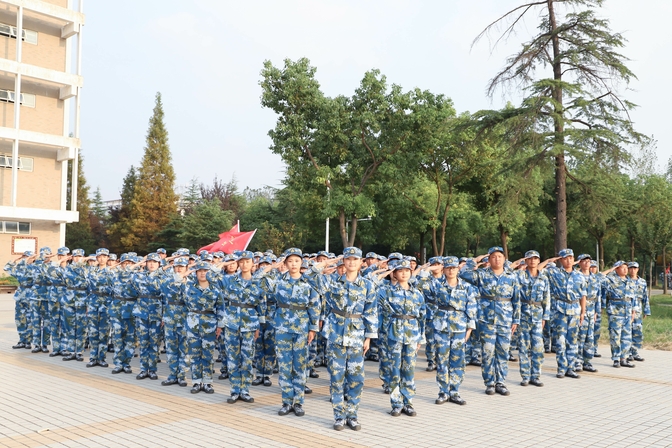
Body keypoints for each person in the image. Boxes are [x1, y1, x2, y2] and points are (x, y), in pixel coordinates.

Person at [306, 247, 378, 431]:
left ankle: (352, 415)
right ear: (343, 261)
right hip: (336, 334)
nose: (352, 262)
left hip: (357, 336)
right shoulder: (332, 281)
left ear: (361, 262)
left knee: (356, 378)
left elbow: (371, 312)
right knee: (336, 378)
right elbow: (309, 275)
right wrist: (327, 262)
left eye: (355, 259)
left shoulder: (367, 285)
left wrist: (369, 337)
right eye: (348, 259)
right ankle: (339, 416)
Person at [262, 248, 321, 417]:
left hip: (302, 328)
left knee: (300, 365)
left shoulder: (309, 282)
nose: (293, 264)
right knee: (284, 365)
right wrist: (273, 266)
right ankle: (287, 401)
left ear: (301, 262)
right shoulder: (278, 281)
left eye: (297, 261)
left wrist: (313, 328)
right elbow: (259, 279)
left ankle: (298, 402)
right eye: (290, 261)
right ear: (285, 263)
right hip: (282, 328)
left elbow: (315, 306)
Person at [459, 247, 520, 396]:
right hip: (486, 320)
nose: (497, 259)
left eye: (499, 256)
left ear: (504, 259)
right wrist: (474, 260)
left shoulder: (512, 276)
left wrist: (516, 319)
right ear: (489, 259)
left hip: (505, 320)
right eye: (493, 257)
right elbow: (463, 273)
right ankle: (489, 383)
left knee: (503, 352)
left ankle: (501, 382)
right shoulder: (482, 274)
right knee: (487, 353)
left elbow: (516, 299)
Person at [423, 256, 477, 405]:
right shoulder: (436, 284)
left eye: (453, 268)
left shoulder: (467, 287)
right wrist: (428, 269)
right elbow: (419, 283)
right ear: (444, 269)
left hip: (459, 326)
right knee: (442, 360)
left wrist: (470, 329)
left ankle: (455, 391)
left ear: (458, 269)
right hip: (441, 326)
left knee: (458, 360)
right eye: (448, 268)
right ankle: (443, 392)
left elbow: (471, 308)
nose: (451, 270)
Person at [216, 250, 266, 404]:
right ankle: (234, 390)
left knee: (247, 359)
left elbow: (261, 305)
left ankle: (245, 390)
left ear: (253, 264)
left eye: (247, 262)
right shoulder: (229, 280)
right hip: (231, 323)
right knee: (232, 358)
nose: (244, 264)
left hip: (249, 325)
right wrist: (225, 263)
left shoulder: (258, 282)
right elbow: (211, 275)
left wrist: (259, 326)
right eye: (241, 262)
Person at [379, 259, 426, 416]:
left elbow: (422, 317)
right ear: (394, 274)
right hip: (394, 333)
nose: (404, 273)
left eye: (407, 270)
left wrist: (421, 338)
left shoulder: (417, 294)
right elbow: (378, 304)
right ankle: (396, 403)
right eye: (400, 271)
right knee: (395, 369)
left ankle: (408, 402)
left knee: (409, 369)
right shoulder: (387, 291)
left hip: (412, 334)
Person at [180, 261, 224, 393]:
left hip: (209, 324)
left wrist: (220, 324)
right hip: (193, 324)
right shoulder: (188, 287)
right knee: (194, 354)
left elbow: (220, 307)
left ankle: (207, 382)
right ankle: (196, 381)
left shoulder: (215, 288)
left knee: (208, 354)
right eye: (200, 271)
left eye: (205, 271)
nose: (203, 273)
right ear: (196, 273)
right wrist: (186, 273)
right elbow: (177, 285)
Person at [539, 249, 584, 379]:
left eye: (570, 258)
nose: (568, 260)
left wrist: (583, 312)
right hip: (560, 311)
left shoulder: (579, 275)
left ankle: (571, 368)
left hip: (575, 310)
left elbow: (583, 295)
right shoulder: (554, 272)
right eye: (565, 258)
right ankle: (561, 368)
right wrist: (548, 261)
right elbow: (537, 269)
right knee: (560, 341)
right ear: (560, 260)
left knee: (573, 341)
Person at [515, 250, 550, 387]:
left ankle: (535, 376)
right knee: (523, 346)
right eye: (530, 259)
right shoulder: (520, 276)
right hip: (523, 314)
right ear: (526, 261)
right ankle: (525, 376)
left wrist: (545, 316)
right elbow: (515, 297)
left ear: (539, 261)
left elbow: (547, 298)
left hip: (537, 315)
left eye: (535, 258)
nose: (532, 261)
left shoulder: (544, 278)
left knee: (538, 347)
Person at [160, 257, 189, 387]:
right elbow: (163, 290)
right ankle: (172, 374)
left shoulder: (191, 283)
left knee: (184, 348)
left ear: (186, 268)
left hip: (184, 318)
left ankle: (182, 375)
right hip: (170, 317)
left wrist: (183, 281)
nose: (179, 269)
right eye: (177, 266)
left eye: (182, 267)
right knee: (171, 348)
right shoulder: (168, 281)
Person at [602, 261, 635, 368]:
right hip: (615, 312)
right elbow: (599, 277)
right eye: (622, 267)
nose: (625, 270)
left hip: (627, 312)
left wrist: (633, 312)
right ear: (616, 269)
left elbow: (633, 298)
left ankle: (623, 358)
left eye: (626, 267)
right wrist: (611, 270)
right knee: (615, 337)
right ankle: (616, 359)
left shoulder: (630, 281)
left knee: (626, 337)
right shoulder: (611, 280)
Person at [85, 248, 112, 368]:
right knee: (93, 332)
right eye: (99, 257)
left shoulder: (112, 272)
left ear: (107, 258)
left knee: (104, 333)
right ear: (96, 258)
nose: (101, 259)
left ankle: (101, 358)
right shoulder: (91, 271)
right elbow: (89, 287)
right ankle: (93, 358)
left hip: (106, 304)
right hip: (93, 303)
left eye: (104, 256)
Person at [575, 254, 600, 373]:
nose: (586, 263)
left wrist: (596, 311)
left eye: (588, 261)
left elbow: (598, 296)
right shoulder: (575, 276)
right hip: (579, 310)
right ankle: (577, 362)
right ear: (579, 263)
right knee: (579, 337)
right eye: (584, 261)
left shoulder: (595, 278)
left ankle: (587, 362)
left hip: (591, 311)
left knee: (590, 337)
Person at [4, 251, 34, 350]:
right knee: (19, 320)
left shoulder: (35, 268)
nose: (26, 258)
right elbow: (6, 268)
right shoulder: (20, 268)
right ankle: (22, 340)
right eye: (24, 256)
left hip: (30, 296)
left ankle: (28, 341)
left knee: (30, 320)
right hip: (20, 296)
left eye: (28, 257)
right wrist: (15, 259)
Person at [627, 262, 649, 362]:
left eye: (634, 268)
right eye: (631, 268)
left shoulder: (642, 282)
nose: (632, 270)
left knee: (637, 331)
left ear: (638, 269)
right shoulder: (625, 280)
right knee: (627, 331)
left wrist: (646, 310)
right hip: (627, 309)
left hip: (638, 310)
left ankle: (635, 352)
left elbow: (645, 296)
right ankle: (627, 353)